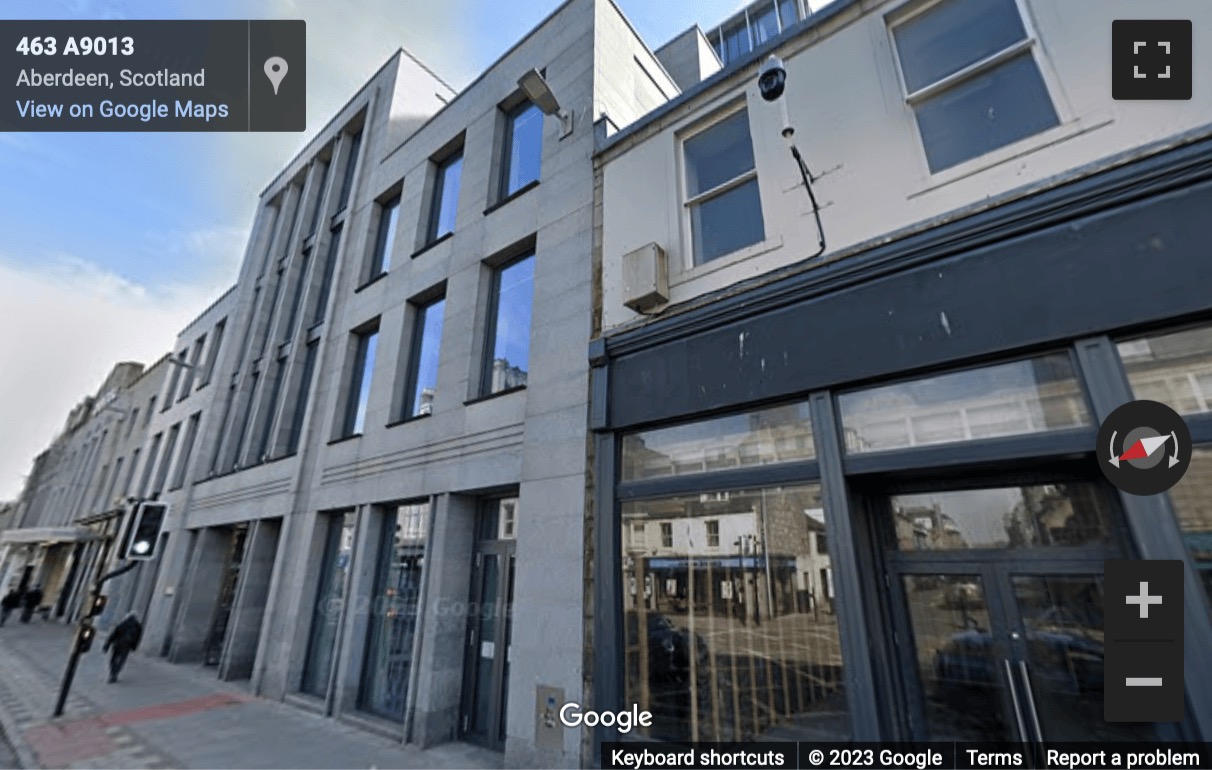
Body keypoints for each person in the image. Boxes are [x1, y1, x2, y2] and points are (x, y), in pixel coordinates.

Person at [102, 612, 142, 683]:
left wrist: (107, 645)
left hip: (117, 644)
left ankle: (112, 672)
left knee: (113, 659)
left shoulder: (123, 624)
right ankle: (115, 673)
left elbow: (114, 634)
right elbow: (137, 638)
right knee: (121, 660)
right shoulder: (137, 627)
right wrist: (134, 647)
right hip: (126, 646)